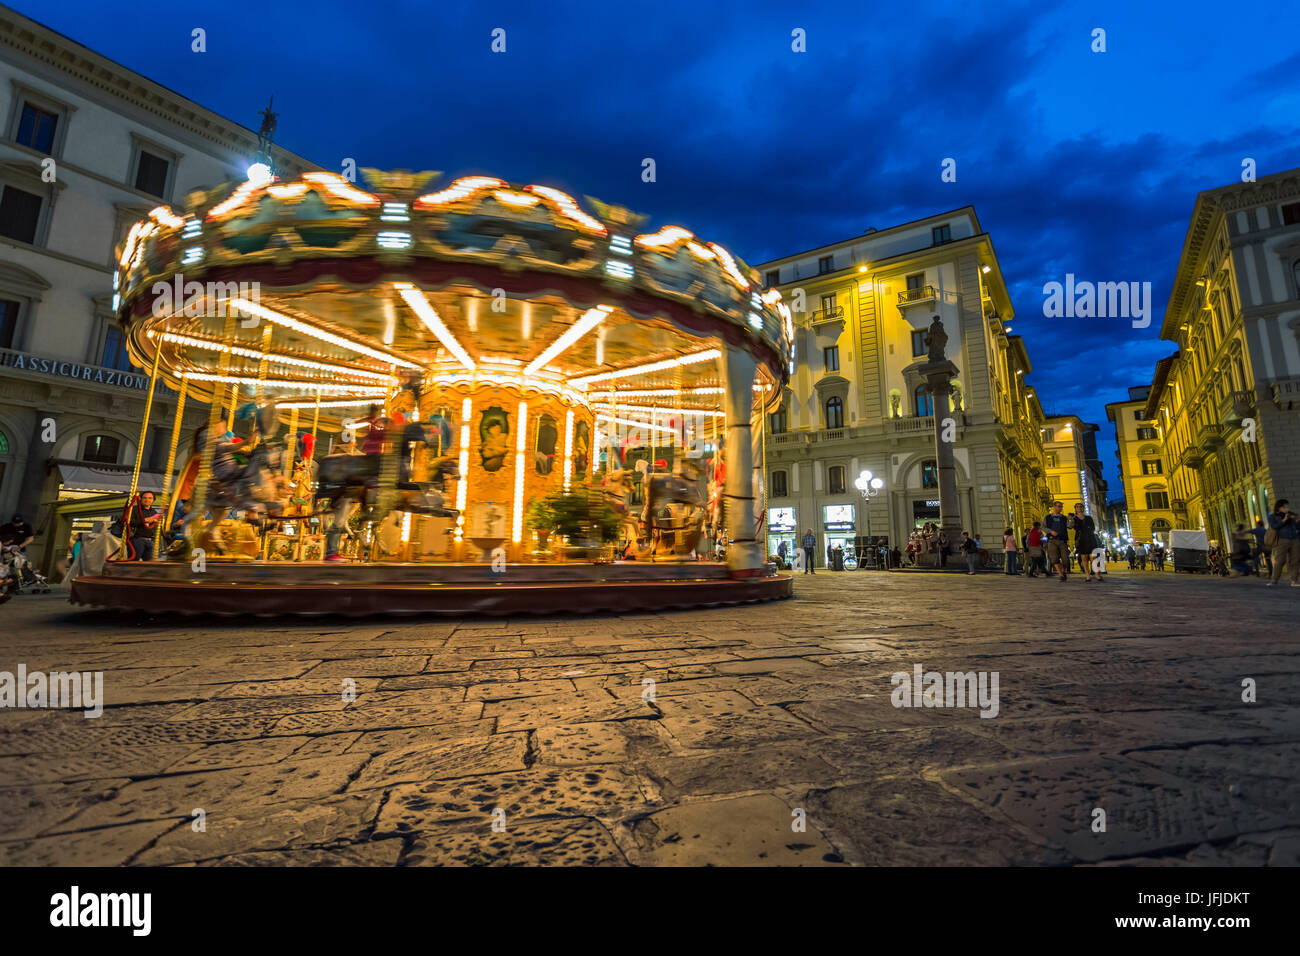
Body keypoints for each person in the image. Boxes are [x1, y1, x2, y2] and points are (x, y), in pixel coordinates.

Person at [1265, 499, 1300, 587]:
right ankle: (1274, 580)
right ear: (1278, 508)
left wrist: (1297, 521)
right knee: (1280, 560)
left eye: (1287, 507)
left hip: (1294, 539)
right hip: (1282, 540)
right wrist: (1284, 520)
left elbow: (1297, 527)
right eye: (1284, 507)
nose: (1286, 509)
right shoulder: (1273, 516)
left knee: (1295, 561)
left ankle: (1294, 581)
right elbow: (1274, 526)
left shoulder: (1291, 515)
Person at [126, 491, 161, 561]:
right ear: (141, 499)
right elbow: (128, 522)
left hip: (150, 540)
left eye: (150, 498)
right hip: (137, 539)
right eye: (144, 498)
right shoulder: (134, 510)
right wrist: (145, 520)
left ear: (153, 500)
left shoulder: (153, 512)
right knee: (134, 561)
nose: (147, 500)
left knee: (149, 563)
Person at [1071, 503, 1102, 582]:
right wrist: (1071, 520)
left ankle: (1097, 574)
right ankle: (1087, 575)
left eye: (1081, 507)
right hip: (1081, 539)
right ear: (1075, 509)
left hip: (1090, 538)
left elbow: (1093, 527)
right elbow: (1072, 527)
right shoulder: (1074, 519)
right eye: (1077, 507)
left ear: (1083, 508)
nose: (1079, 508)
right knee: (1084, 558)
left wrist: (1088, 531)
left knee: (1093, 557)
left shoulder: (1088, 518)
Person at [1043, 501, 1070, 582]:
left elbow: (1070, 526)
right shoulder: (1047, 517)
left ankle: (1063, 571)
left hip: (1062, 540)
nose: (1060, 508)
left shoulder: (1064, 518)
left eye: (1061, 507)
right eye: (1058, 506)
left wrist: (1071, 520)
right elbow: (1043, 527)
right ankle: (1060, 574)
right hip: (1051, 540)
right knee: (1054, 558)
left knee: (1065, 559)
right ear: (1054, 507)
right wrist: (1051, 531)